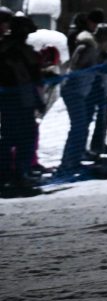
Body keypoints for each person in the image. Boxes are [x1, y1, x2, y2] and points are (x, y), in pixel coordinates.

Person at [57, 23, 107, 174]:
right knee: (78, 127)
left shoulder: (94, 49)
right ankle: (67, 163)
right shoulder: (87, 47)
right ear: (103, 39)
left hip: (81, 91)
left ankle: (73, 161)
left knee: (81, 127)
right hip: (73, 91)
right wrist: (96, 68)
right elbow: (76, 68)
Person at [0, 11, 44, 193]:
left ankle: (7, 176)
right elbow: (30, 77)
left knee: (8, 138)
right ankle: (19, 175)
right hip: (21, 101)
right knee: (25, 138)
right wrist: (37, 100)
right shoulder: (22, 51)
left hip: (7, 101)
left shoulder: (4, 47)